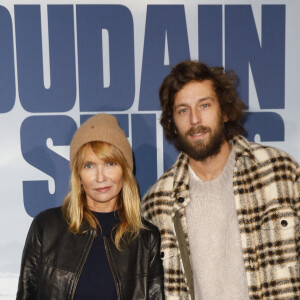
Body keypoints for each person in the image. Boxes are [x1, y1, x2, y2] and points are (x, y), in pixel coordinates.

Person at [142, 60, 300, 300]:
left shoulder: (279, 173)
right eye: (183, 110)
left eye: (204, 105)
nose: (195, 119)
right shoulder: (157, 202)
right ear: (172, 123)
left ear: (225, 111)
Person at [17, 113, 164, 300]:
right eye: (89, 166)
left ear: (125, 170)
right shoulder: (46, 227)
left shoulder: (147, 239)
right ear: (78, 173)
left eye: (110, 163)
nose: (100, 177)